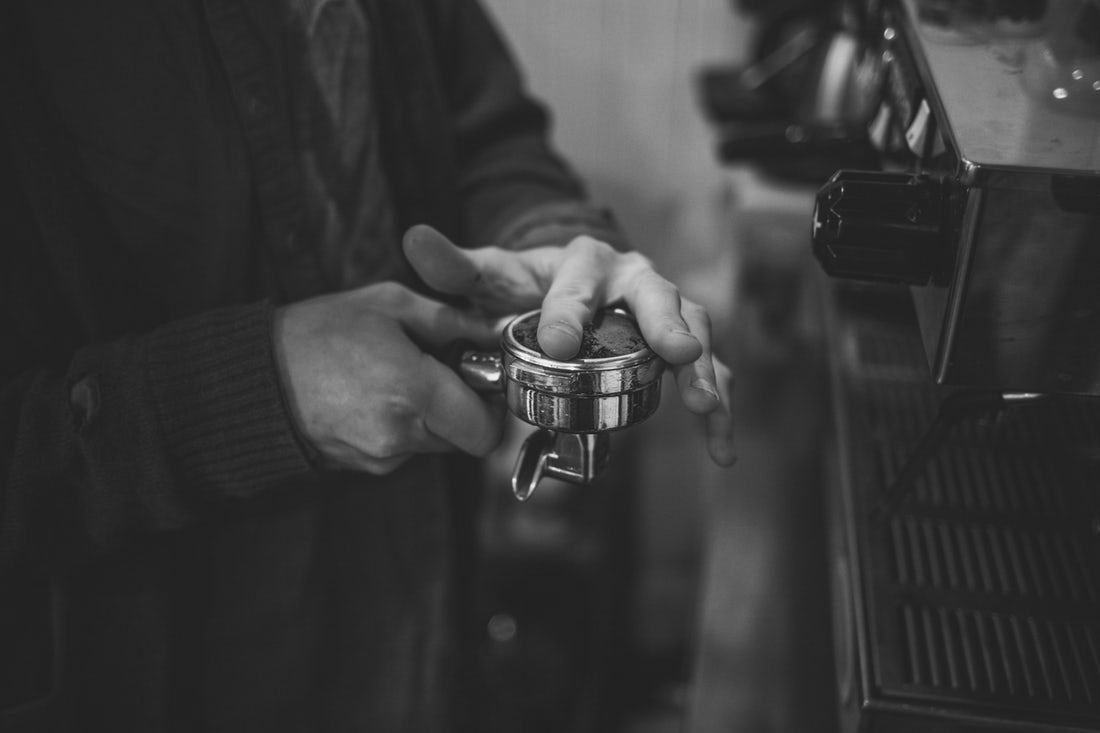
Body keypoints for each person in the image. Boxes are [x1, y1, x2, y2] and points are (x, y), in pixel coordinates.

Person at [0, 0, 735, 730]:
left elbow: (487, 136)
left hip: (420, 606)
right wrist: (258, 392)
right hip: (142, 678)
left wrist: (547, 238)